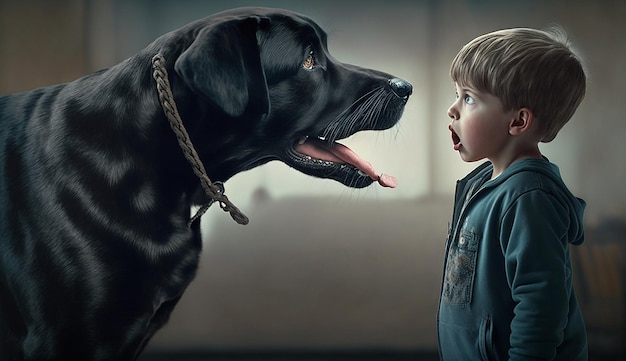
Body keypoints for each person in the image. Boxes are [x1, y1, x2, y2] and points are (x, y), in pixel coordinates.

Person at [438, 27, 588, 360]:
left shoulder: (528, 197)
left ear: (518, 121)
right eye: (457, 94)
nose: (453, 109)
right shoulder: (484, 183)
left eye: (469, 98)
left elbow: (540, 304)